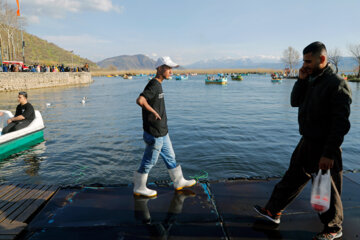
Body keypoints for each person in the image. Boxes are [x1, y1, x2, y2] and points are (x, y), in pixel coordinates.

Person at [254, 42, 351, 240]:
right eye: (303, 60)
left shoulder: (336, 84)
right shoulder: (311, 79)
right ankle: (273, 211)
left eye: (308, 61)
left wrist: (328, 153)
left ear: (322, 59)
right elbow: (294, 102)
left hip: (324, 145)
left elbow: (340, 124)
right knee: (292, 177)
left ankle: (333, 228)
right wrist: (301, 80)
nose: (304, 64)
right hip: (307, 141)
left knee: (325, 188)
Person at [134, 56, 196, 197]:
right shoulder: (154, 84)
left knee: (170, 157)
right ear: (160, 68)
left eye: (171, 68)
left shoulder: (159, 84)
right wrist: (153, 111)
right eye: (168, 68)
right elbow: (140, 100)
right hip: (155, 133)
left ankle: (179, 181)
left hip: (162, 131)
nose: (171, 71)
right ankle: (139, 187)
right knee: (150, 160)